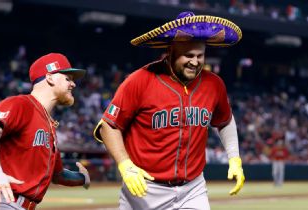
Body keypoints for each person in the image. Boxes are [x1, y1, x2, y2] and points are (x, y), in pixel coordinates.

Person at [94, 11, 245, 210]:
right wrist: (125, 165)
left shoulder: (214, 84)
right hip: (145, 189)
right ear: (171, 51)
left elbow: (225, 121)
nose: (195, 61)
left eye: (200, 55)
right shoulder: (139, 80)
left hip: (193, 188)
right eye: (188, 55)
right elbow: (108, 126)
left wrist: (234, 157)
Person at [0, 53, 90, 210]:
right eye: (68, 78)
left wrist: (83, 178)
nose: (73, 84)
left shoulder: (48, 124)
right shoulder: (21, 104)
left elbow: (58, 175)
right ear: (50, 78)